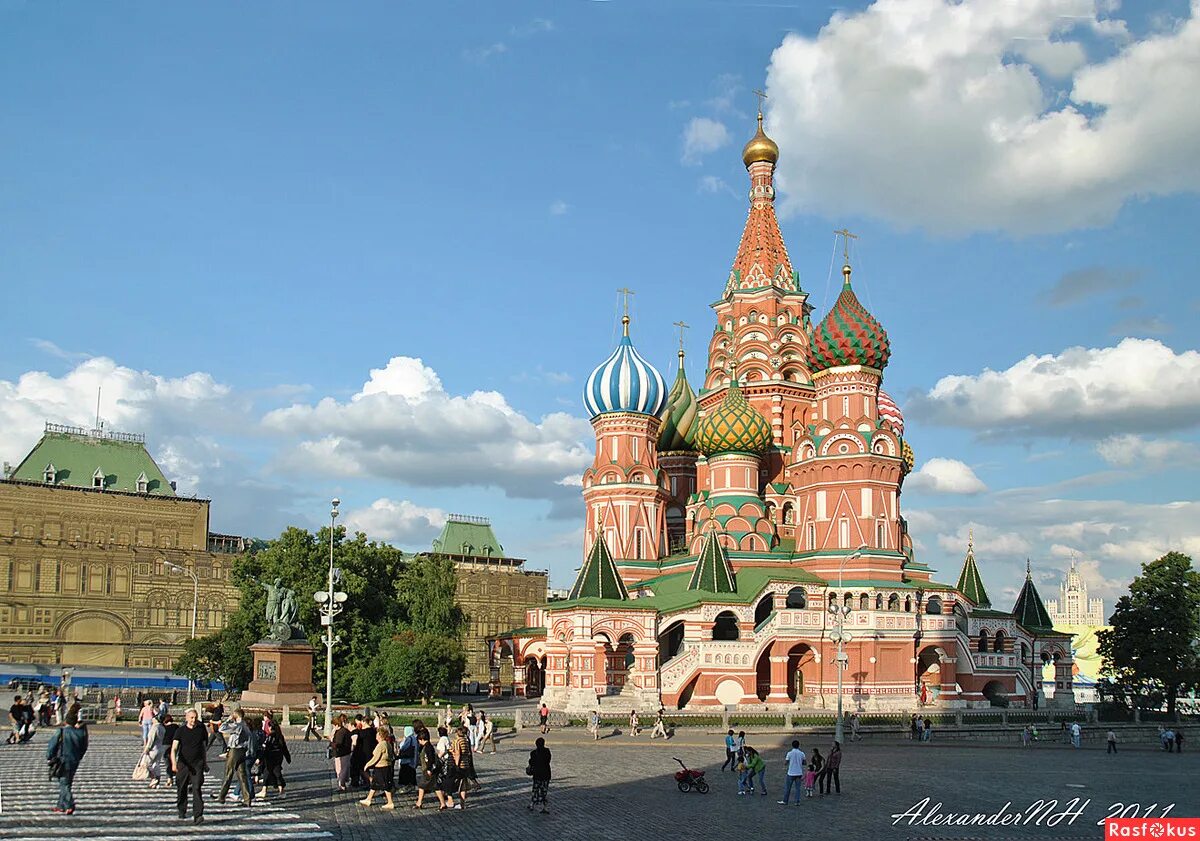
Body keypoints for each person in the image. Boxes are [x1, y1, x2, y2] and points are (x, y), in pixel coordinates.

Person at [46, 710, 88, 814]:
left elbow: (52, 746)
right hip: (75, 760)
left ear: (66, 721)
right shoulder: (80, 733)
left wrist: (49, 756)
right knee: (67, 782)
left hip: (63, 760)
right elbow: (84, 747)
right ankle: (60, 805)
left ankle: (69, 804)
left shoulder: (61, 731)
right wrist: (79, 757)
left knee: (64, 784)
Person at [171, 708, 208, 824]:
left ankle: (198, 814)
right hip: (183, 764)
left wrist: (205, 763)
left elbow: (203, 748)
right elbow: (174, 749)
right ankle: (182, 809)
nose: (194, 720)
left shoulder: (201, 730)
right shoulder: (180, 731)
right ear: (186, 718)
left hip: (197, 764)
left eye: (195, 717)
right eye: (191, 718)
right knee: (181, 788)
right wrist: (173, 763)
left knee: (197, 788)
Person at [217, 708, 252, 807]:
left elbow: (221, 728)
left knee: (228, 773)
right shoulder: (246, 726)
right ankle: (247, 799)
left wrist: (228, 719)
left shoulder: (237, 725)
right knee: (242, 776)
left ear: (236, 715)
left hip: (234, 750)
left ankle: (222, 796)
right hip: (243, 751)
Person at [359, 726, 396, 809]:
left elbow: (376, 758)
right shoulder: (387, 743)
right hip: (383, 767)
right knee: (374, 784)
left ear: (380, 735)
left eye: (377, 734)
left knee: (385, 785)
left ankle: (390, 802)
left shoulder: (381, 745)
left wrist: (367, 765)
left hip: (382, 768)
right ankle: (368, 799)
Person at [258, 712, 291, 799]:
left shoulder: (270, 736)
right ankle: (281, 791)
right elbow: (284, 747)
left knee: (267, 772)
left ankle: (264, 790)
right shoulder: (280, 735)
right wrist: (288, 757)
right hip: (279, 756)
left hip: (270, 756)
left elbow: (266, 748)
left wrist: (260, 758)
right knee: (277, 773)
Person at [451, 725, 477, 809]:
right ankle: (462, 803)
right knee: (463, 784)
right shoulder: (465, 740)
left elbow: (458, 753)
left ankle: (449, 800)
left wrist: (456, 765)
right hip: (466, 764)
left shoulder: (457, 741)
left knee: (452, 782)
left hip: (460, 764)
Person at [415, 729, 441, 810]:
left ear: (422, 739)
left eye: (419, 740)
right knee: (435, 787)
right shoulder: (427, 746)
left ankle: (419, 803)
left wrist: (429, 769)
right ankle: (443, 803)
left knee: (422, 786)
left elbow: (430, 759)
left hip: (428, 770)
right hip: (427, 769)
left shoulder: (428, 747)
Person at [528, 736, 552, 814]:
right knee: (544, 791)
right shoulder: (547, 751)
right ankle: (545, 806)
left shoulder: (533, 753)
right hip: (546, 774)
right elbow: (548, 760)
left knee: (535, 790)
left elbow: (531, 762)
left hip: (537, 774)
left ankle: (532, 804)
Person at [779, 740, 806, 805]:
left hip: (791, 772)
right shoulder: (802, 753)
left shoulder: (789, 753)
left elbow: (786, 762)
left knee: (788, 788)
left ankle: (785, 801)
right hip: (799, 772)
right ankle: (797, 801)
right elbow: (804, 762)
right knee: (798, 789)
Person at [143, 712, 166, 789]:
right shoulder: (162, 727)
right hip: (160, 748)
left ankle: (154, 778)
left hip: (153, 749)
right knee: (156, 765)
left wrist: (147, 748)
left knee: (146, 764)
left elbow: (151, 740)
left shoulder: (155, 727)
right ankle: (156, 782)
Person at [331, 715, 353, 791]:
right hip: (345, 752)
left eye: (333, 725)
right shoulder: (344, 730)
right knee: (343, 769)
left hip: (341, 753)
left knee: (340, 770)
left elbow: (338, 743)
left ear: (337, 725)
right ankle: (342, 784)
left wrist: (331, 742)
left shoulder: (341, 732)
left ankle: (341, 785)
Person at [395, 725, 417, 790]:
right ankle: (411, 785)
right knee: (411, 773)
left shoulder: (409, 738)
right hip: (412, 760)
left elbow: (404, 747)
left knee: (405, 773)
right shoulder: (414, 738)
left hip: (406, 759)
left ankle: (406, 786)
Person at [161, 714, 179, 786]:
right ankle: (175, 776)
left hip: (165, 745)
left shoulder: (163, 727)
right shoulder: (176, 726)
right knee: (174, 760)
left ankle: (169, 778)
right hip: (175, 745)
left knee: (167, 762)